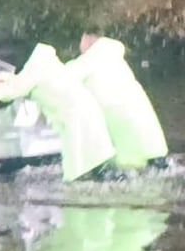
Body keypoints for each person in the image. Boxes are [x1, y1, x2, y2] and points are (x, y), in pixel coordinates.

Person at [0, 43, 116, 182]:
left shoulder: (35, 70)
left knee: (77, 178)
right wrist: (3, 78)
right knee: (96, 169)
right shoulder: (46, 64)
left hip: (77, 123)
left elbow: (14, 89)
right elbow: (22, 81)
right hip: (88, 116)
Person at [65, 33, 168, 169]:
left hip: (121, 120)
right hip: (152, 137)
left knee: (124, 174)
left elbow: (63, 77)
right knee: (158, 171)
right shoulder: (115, 57)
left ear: (86, 38)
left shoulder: (92, 59)